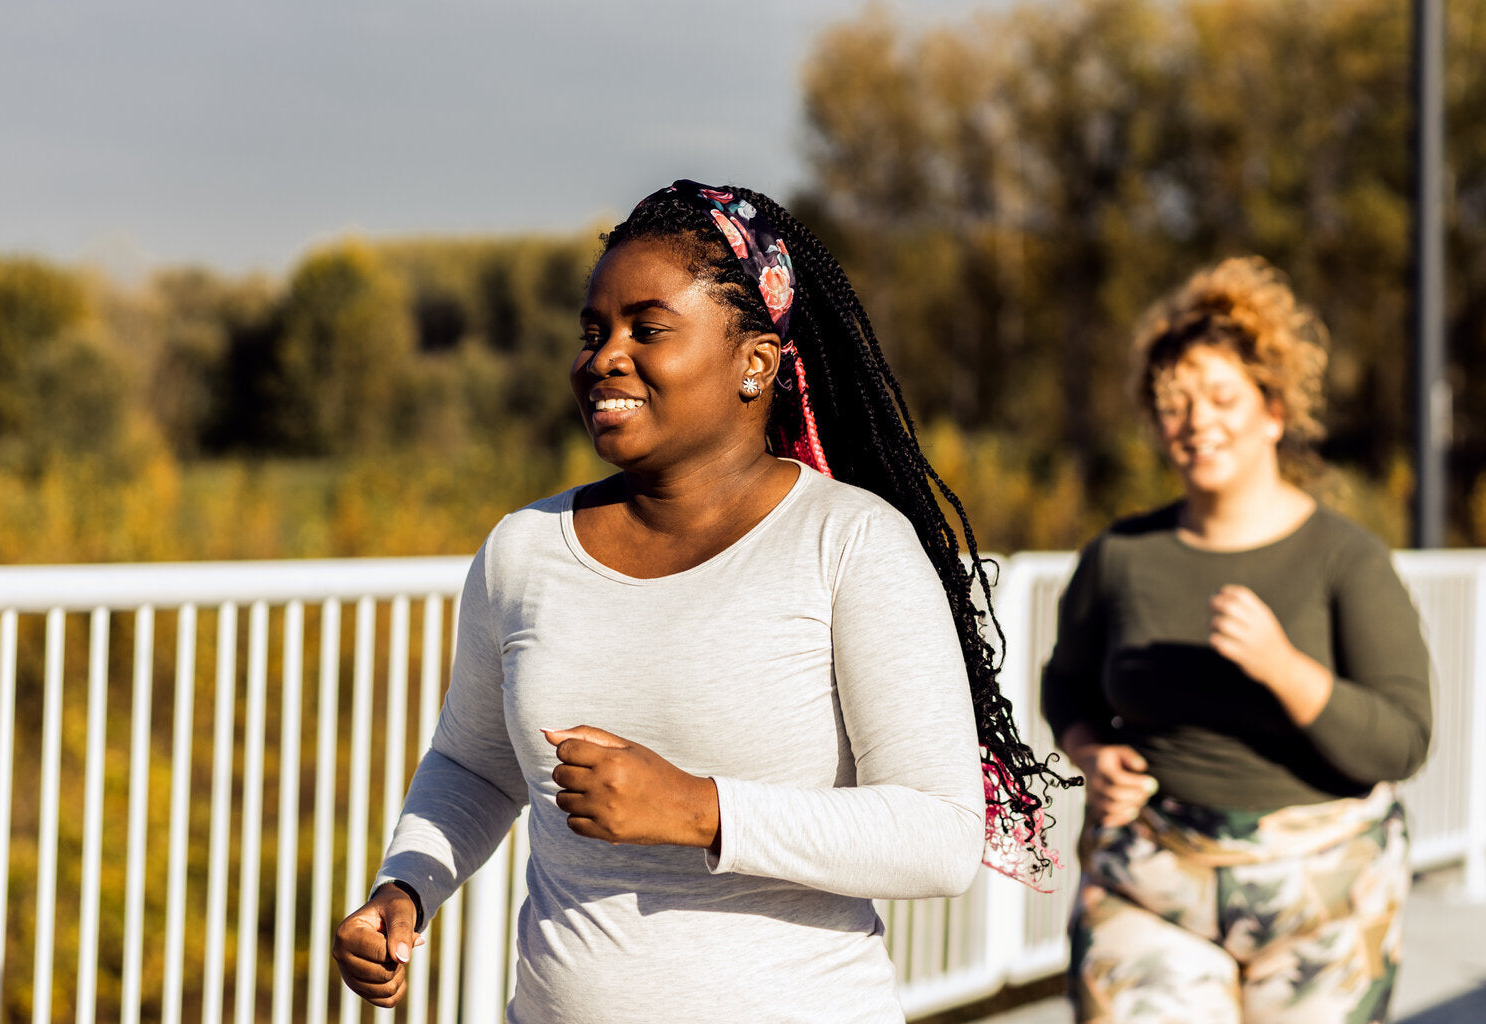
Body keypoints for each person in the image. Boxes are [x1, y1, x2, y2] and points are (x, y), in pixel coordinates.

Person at [331, 180, 1069, 1022]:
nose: (605, 356)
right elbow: (471, 763)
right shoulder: (523, 550)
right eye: (593, 331)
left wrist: (701, 810)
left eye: (648, 328)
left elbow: (938, 838)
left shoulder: (851, 544)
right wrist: (408, 885)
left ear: (755, 361)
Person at [1040, 256, 1433, 1023]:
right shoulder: (1120, 556)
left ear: (1273, 412)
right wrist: (1091, 752)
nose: (1198, 421)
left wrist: (1284, 668)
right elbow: (1067, 684)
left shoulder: (1346, 558)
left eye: (1222, 397)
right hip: (1151, 882)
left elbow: (1404, 744)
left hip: (1325, 896)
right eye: (1173, 405)